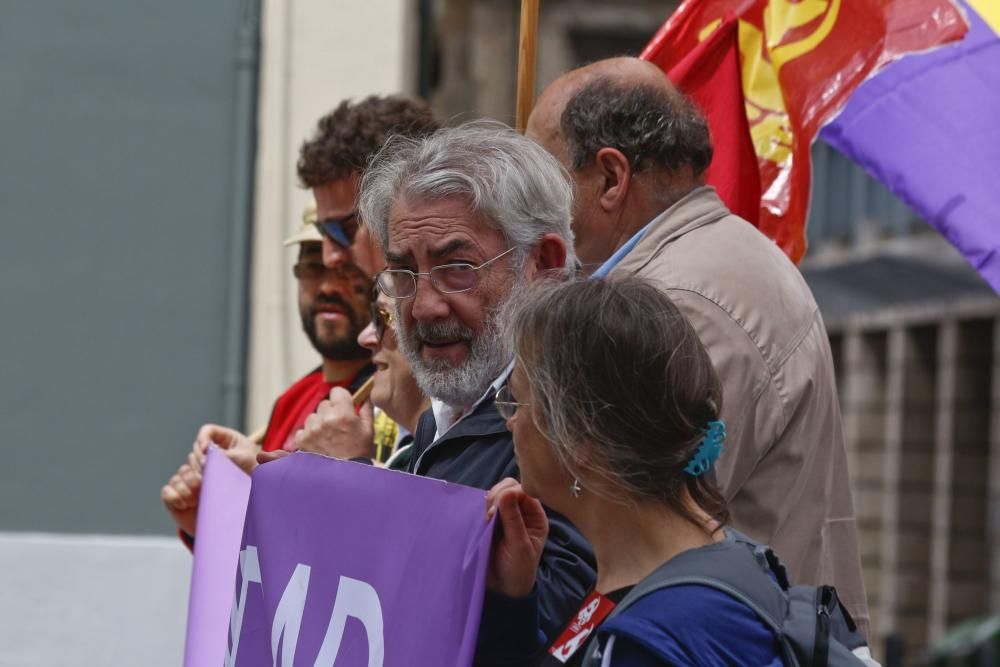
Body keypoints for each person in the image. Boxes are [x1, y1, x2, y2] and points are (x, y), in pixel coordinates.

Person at [526, 57, 868, 632]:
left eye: (542, 183)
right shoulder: (693, 273)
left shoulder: (681, 305)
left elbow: (625, 519)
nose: (534, 215)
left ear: (610, 178)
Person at [297, 122, 596, 665]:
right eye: (404, 272)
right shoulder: (443, 418)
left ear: (545, 264)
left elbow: (549, 639)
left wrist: (349, 494)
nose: (424, 306)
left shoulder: (571, 431)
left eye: (458, 268)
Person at [487, 276, 822, 665]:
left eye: (517, 401)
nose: (509, 422)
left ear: (582, 439)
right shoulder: (707, 565)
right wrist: (512, 604)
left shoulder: (654, 639)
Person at [161, 95, 440, 540]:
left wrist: (340, 472)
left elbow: (418, 546)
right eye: (311, 262)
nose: (333, 260)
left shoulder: (443, 364)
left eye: (341, 230)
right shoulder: (322, 390)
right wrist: (230, 511)